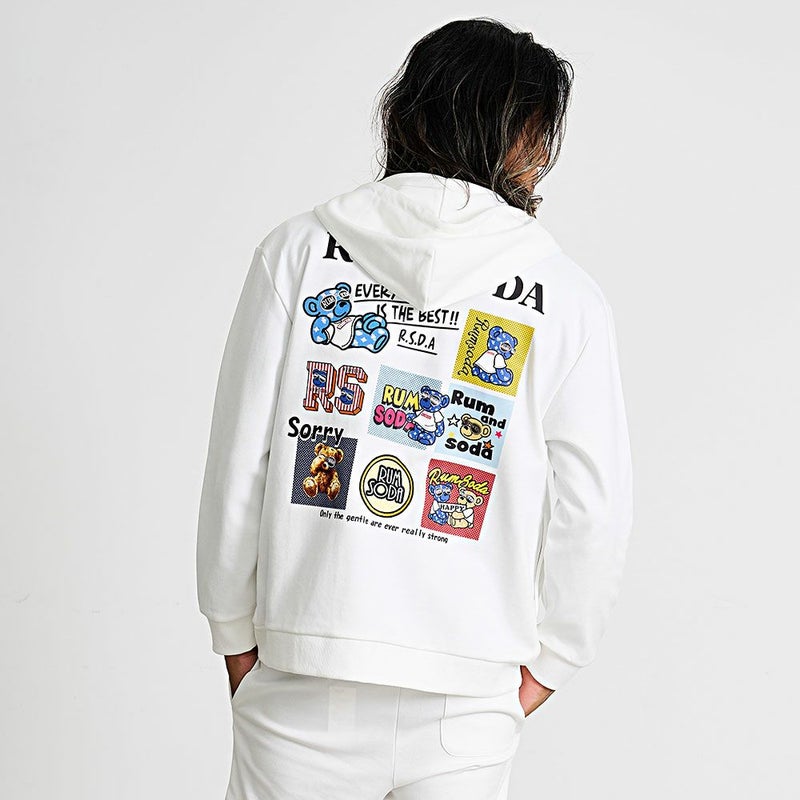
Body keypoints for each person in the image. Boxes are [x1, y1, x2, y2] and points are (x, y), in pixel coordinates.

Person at [196, 17, 633, 800]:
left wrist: (234, 631)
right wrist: (553, 661)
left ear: (406, 111)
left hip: (303, 675)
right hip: (467, 698)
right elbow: (594, 507)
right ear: (525, 137)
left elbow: (239, 460)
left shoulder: (297, 253)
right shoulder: (564, 295)